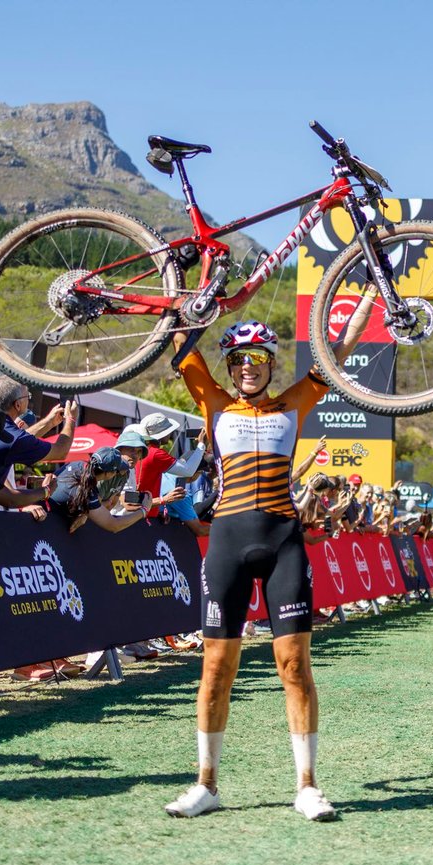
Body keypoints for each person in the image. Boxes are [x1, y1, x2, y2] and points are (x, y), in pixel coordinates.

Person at [164, 310, 369, 822]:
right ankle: (206, 784)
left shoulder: (294, 401)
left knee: (295, 667)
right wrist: (192, 296)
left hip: (283, 541)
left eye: (258, 358)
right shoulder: (213, 400)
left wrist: (368, 293)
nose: (249, 367)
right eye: (239, 359)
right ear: (229, 366)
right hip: (228, 540)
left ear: (271, 365)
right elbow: (179, 339)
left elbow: (338, 349)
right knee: (215, 668)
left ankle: (307, 786)